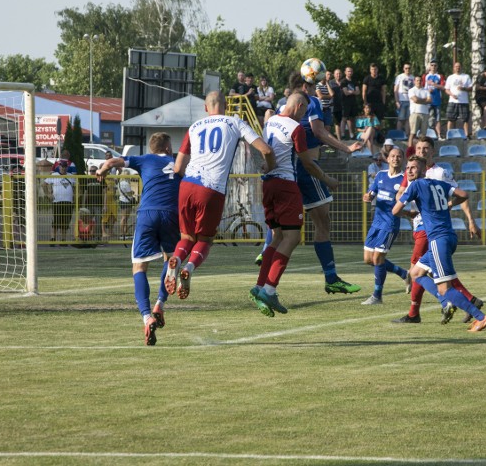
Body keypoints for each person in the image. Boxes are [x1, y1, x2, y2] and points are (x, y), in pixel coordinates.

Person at [167, 91, 276, 299]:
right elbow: (267, 150)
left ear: (206, 108)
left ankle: (178, 258)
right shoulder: (235, 122)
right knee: (205, 240)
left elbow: (178, 166)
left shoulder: (194, 127)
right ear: (225, 106)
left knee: (187, 237)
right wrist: (269, 168)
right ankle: (188, 267)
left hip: (187, 184)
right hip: (211, 189)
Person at [250, 93, 340, 317]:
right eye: (304, 111)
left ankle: (260, 286)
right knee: (292, 238)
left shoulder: (270, 122)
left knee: (277, 236)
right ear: (299, 106)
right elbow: (307, 163)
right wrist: (328, 180)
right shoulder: (295, 127)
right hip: (285, 184)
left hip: (268, 185)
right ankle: (270, 289)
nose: (304, 115)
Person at [97, 133, 181, 346]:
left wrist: (102, 171)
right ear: (169, 148)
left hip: (148, 214)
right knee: (170, 260)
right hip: (172, 214)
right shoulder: (179, 162)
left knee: (139, 268)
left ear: (153, 149)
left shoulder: (145, 159)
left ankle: (146, 316)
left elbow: (112, 161)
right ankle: (160, 304)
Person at [392, 156, 486, 331]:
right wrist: (449, 204)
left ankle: (480, 317)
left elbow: (395, 210)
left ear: (424, 170)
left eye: (414, 167)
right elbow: (464, 195)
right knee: (415, 273)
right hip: (448, 237)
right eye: (407, 167)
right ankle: (447, 302)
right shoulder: (440, 184)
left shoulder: (415, 185)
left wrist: (408, 213)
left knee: (445, 288)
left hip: (438, 239)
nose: (409, 170)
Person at [289, 68, 364, 294]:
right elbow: (319, 133)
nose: (319, 89)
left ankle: (265, 277)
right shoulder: (310, 103)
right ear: (307, 86)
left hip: (288, 169)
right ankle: (331, 277)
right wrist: (346, 148)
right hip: (307, 167)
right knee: (323, 223)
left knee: (285, 229)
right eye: (316, 84)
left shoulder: (282, 107)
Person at [360, 147, 410, 304]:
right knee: (368, 259)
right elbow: (372, 192)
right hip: (376, 222)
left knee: (378, 258)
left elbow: (405, 202)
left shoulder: (404, 180)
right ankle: (404, 274)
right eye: (393, 156)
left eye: (399, 156)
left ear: (403, 160)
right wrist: (368, 196)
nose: (395, 158)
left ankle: (377, 295)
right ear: (387, 159)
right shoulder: (380, 175)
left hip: (390, 224)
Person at [44, 159, 76, 245]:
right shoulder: (54, 175)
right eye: (62, 166)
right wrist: (48, 194)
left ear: (67, 167)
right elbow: (44, 184)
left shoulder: (71, 176)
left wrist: (76, 195)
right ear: (59, 167)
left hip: (68, 201)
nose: (63, 168)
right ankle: (53, 238)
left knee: (65, 221)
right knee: (56, 220)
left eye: (65, 166)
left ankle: (63, 240)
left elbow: (76, 186)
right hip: (57, 201)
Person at [445, 61, 472, 138]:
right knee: (450, 118)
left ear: (461, 67)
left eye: (459, 66)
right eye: (456, 66)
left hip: (464, 101)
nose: (458, 68)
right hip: (452, 101)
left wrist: (463, 88)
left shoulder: (466, 76)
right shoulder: (450, 77)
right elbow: (446, 89)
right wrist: (452, 95)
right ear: (454, 68)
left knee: (465, 119)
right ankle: (449, 135)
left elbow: (471, 88)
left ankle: (466, 135)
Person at [422, 60, 445, 136]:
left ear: (437, 66)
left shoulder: (440, 76)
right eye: (432, 65)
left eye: (435, 65)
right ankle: (429, 134)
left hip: (437, 100)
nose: (433, 67)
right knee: (429, 117)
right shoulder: (425, 76)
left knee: (438, 118)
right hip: (428, 100)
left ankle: (439, 135)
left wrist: (434, 84)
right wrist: (427, 90)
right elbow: (421, 87)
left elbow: (443, 87)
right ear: (429, 66)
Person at [407, 76, 431, 147]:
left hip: (425, 113)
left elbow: (429, 100)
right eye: (417, 80)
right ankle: (410, 149)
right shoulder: (411, 90)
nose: (419, 82)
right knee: (413, 133)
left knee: (423, 135)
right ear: (414, 81)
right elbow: (415, 100)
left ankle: (421, 148)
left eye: (420, 80)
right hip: (415, 113)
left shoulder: (426, 90)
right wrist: (424, 100)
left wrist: (420, 100)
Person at [394, 63, 415, 136]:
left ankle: (407, 135)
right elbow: (395, 90)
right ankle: (398, 134)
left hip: (411, 101)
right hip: (401, 100)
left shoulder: (413, 77)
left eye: (409, 68)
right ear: (403, 69)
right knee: (400, 119)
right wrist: (397, 101)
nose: (407, 70)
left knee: (408, 119)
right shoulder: (399, 77)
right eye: (406, 68)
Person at [116, 168, 137, 238]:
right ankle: (123, 233)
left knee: (124, 217)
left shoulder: (119, 183)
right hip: (126, 201)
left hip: (121, 200)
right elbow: (129, 193)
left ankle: (125, 232)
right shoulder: (126, 183)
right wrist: (133, 192)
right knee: (125, 218)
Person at [340, 66, 360, 139]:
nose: (350, 72)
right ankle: (342, 134)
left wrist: (351, 92)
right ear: (345, 72)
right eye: (348, 71)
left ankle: (352, 134)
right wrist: (353, 92)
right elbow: (346, 93)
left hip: (353, 102)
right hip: (345, 102)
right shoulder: (343, 81)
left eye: (351, 71)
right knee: (344, 118)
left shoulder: (355, 81)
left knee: (352, 119)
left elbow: (358, 92)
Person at [329, 68, 344, 140]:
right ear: (334, 75)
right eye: (337, 73)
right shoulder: (330, 83)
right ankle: (339, 139)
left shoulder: (344, 82)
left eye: (339, 73)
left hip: (344, 105)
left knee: (343, 121)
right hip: (334, 105)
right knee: (337, 123)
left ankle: (345, 137)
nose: (338, 75)